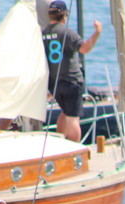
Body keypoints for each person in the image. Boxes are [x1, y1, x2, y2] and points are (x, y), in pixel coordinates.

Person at [42, 0, 103, 142]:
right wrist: (97, 32)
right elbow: (85, 48)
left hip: (55, 83)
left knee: (65, 114)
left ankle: (60, 141)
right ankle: (73, 148)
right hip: (71, 81)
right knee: (72, 117)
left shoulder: (43, 33)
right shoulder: (67, 33)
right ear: (64, 15)